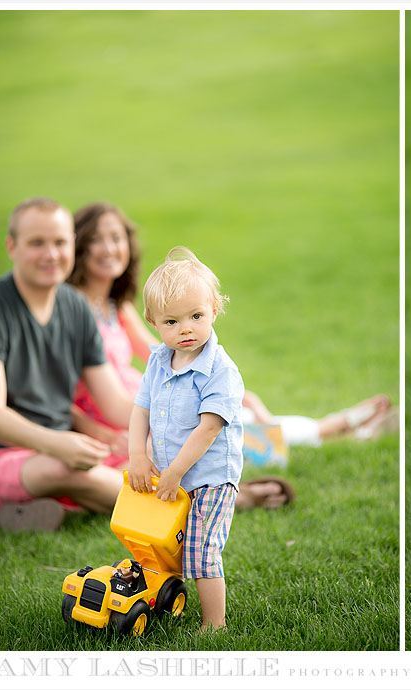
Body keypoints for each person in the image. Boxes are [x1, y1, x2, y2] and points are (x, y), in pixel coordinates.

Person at [66, 202, 395, 508]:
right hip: (127, 414)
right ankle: (338, 428)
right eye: (97, 240)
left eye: (116, 237)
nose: (109, 248)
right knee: (228, 429)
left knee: (235, 414)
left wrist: (208, 389)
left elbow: (160, 350)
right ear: (79, 247)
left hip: (157, 398)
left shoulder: (117, 306)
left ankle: (339, 427)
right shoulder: (72, 309)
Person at [0, 198, 136, 531]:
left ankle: (48, 508)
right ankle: (181, 509)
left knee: (142, 458)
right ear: (11, 246)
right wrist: (55, 443)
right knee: (62, 469)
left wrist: (178, 416)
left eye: (60, 242)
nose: (51, 254)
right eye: (37, 243)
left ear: (72, 246)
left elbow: (116, 405)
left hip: (62, 449)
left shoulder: (76, 307)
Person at [127, 246, 243, 632]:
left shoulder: (220, 371)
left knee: (202, 550)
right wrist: (138, 457)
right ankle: (162, 597)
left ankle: (215, 625)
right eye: (172, 322)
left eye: (196, 316)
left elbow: (208, 428)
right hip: (172, 474)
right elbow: (140, 410)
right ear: (153, 322)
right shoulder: (159, 361)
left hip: (209, 477)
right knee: (163, 544)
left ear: (214, 309)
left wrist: (175, 471)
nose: (186, 329)